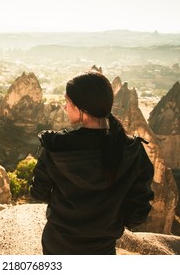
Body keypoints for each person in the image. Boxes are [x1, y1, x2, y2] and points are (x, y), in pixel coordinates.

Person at [30, 71, 154, 255]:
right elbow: (138, 212)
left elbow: (38, 192)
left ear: (82, 109)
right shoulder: (131, 150)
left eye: (68, 102)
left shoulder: (57, 147)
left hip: (58, 243)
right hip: (102, 248)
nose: (65, 108)